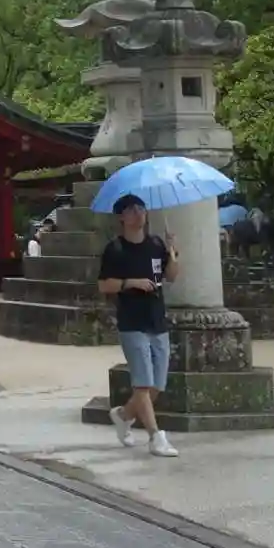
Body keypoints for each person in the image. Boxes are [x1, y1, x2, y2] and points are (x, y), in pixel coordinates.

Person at [98, 193, 181, 458]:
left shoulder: (156, 244)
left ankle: (124, 415)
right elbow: (104, 285)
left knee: (157, 385)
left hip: (157, 319)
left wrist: (173, 253)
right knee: (143, 384)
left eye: (141, 209)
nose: (139, 214)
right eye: (132, 210)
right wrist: (130, 283)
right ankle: (156, 437)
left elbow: (171, 276)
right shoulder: (115, 249)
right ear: (122, 217)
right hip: (132, 322)